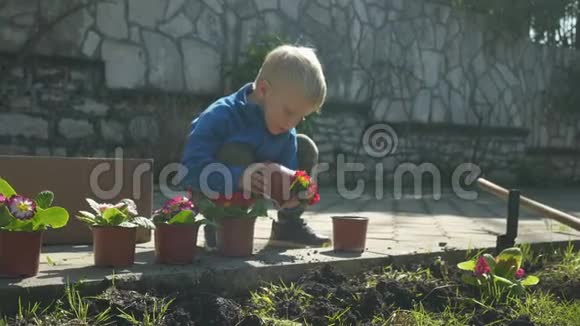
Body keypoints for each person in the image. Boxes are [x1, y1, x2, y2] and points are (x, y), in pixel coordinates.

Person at [180, 44, 330, 249]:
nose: (291, 124)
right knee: (237, 151)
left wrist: (292, 192)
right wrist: (239, 177)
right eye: (288, 112)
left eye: (300, 118)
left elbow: (288, 172)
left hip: (254, 187)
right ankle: (221, 227)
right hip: (210, 189)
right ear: (263, 90)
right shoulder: (221, 116)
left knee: (305, 146)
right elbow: (190, 169)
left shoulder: (286, 129)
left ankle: (288, 226)